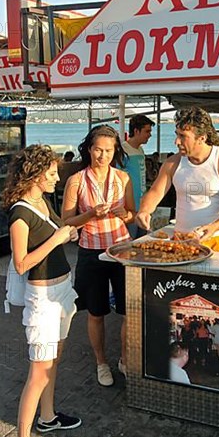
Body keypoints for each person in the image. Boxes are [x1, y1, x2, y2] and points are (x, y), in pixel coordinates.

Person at [1, 145, 81, 437]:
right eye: (50, 172)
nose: (55, 177)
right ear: (33, 174)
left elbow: (56, 234)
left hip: (62, 289)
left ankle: (47, 416)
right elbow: (22, 262)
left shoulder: (42, 202)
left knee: (55, 358)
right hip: (43, 297)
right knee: (39, 370)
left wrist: (70, 232)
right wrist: (59, 239)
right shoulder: (21, 214)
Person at [62, 125, 135, 385]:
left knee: (129, 311)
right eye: (97, 150)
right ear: (89, 149)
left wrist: (123, 214)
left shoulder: (123, 178)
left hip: (121, 249)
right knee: (96, 311)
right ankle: (101, 362)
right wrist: (92, 213)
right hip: (91, 250)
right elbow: (66, 222)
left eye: (108, 150)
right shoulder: (76, 180)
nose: (102, 155)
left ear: (115, 151)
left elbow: (131, 214)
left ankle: (125, 360)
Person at [136, 107, 219, 252]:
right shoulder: (173, 162)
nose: (176, 141)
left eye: (183, 136)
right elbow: (155, 192)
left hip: (217, 239)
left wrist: (214, 227)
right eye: (177, 135)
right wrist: (144, 210)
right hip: (181, 239)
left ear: (202, 137)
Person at [122, 114, 155, 238]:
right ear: (136, 131)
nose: (150, 135)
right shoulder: (123, 151)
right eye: (147, 131)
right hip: (129, 207)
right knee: (130, 242)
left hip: (142, 205)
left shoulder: (140, 150)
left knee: (142, 239)